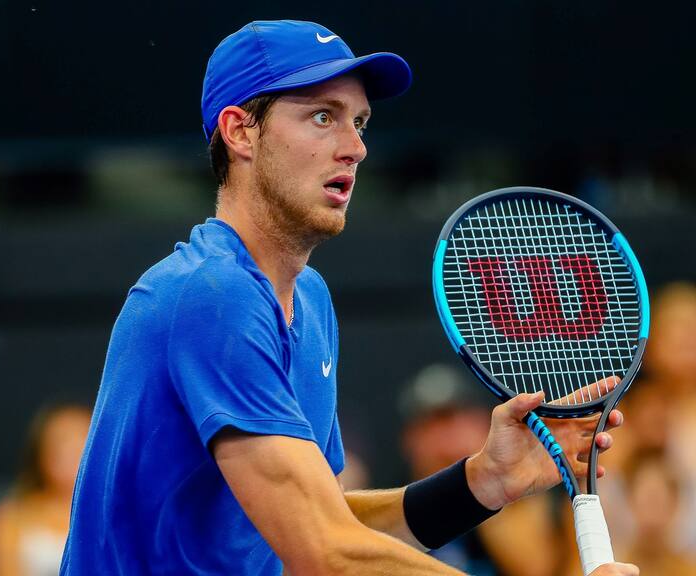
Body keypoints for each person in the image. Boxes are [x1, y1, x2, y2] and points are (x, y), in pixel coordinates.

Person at [61, 20, 637, 575]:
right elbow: (325, 553)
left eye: (359, 123)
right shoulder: (211, 296)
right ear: (240, 132)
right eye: (321, 117)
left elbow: (322, 527)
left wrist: (483, 481)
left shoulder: (308, 300)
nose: (354, 148)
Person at [399, 364, 558, 576]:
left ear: (483, 425)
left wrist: (483, 481)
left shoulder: (523, 495)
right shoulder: (396, 504)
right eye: (432, 425)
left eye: (456, 421)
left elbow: (536, 570)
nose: (448, 438)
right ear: (410, 440)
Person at [0, 404, 91, 576]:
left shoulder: (113, 516)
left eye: (82, 438)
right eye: (62, 440)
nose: (72, 450)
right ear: (40, 449)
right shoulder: (11, 516)